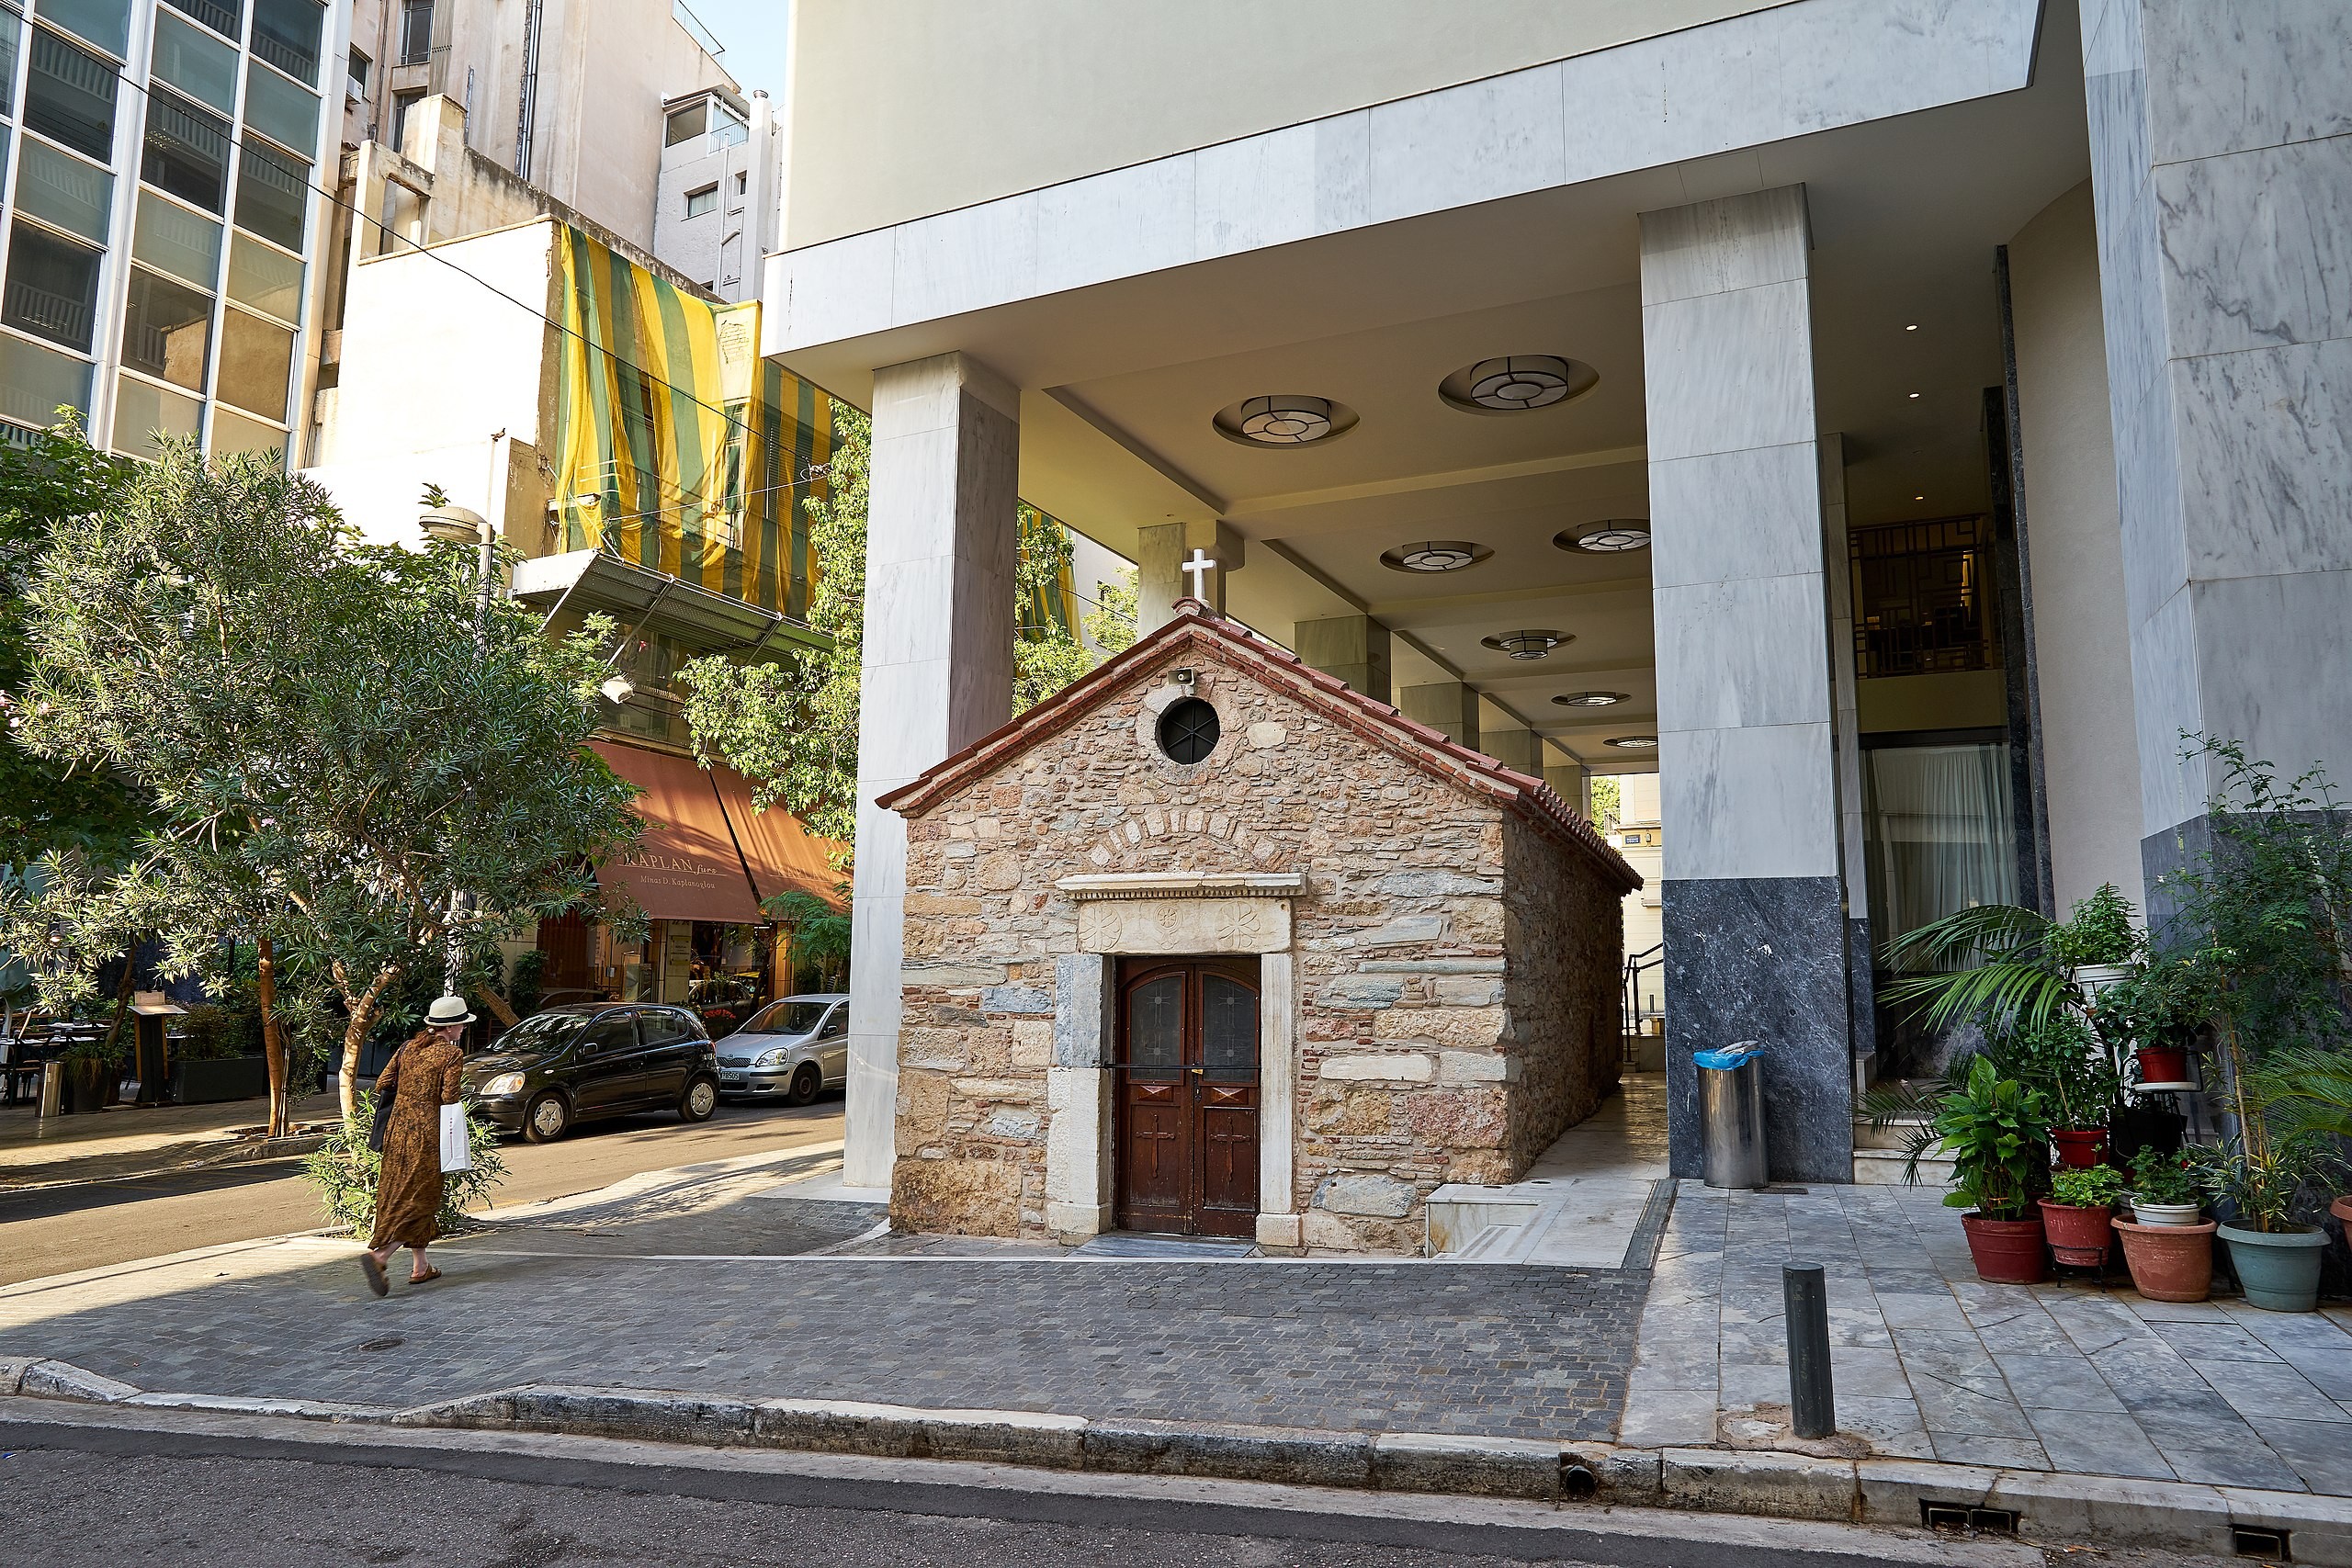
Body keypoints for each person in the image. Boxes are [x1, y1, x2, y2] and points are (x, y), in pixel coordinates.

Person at [358, 994, 469, 1296]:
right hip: (426, 1136)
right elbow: (449, 1097)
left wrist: (410, 1091)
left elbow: (383, 1082)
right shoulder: (451, 1055)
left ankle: (420, 1267)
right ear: (450, 1028)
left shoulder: (408, 1047)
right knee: (422, 1198)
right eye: (461, 1026)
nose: (462, 1030)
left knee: (399, 1192)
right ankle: (380, 1257)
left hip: (397, 1132)